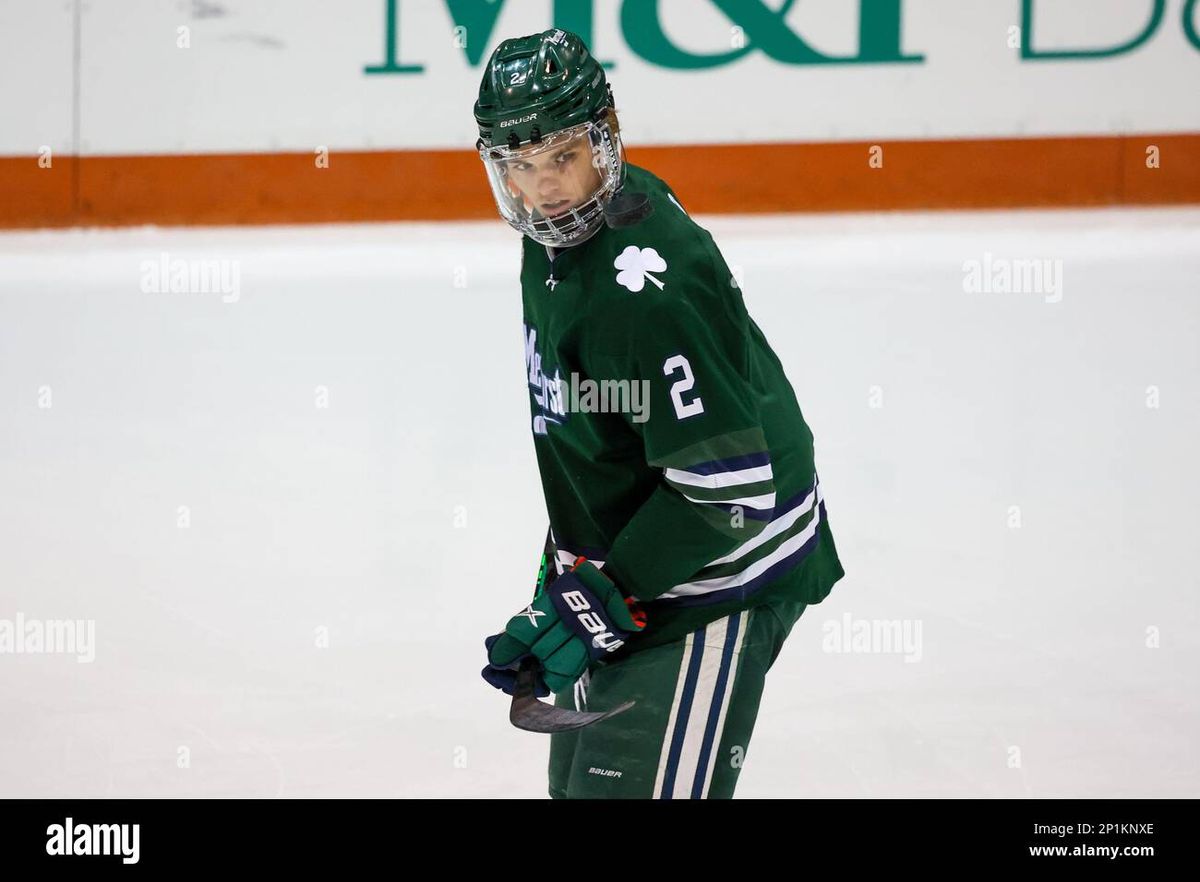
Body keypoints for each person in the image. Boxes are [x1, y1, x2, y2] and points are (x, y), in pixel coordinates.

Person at [475, 28, 845, 799]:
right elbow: (594, 430)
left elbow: (726, 489)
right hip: (642, 568)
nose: (542, 189)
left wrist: (606, 595)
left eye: (562, 157)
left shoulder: (648, 286)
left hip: (713, 583)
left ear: (605, 138)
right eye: (518, 165)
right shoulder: (556, 242)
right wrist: (567, 574)